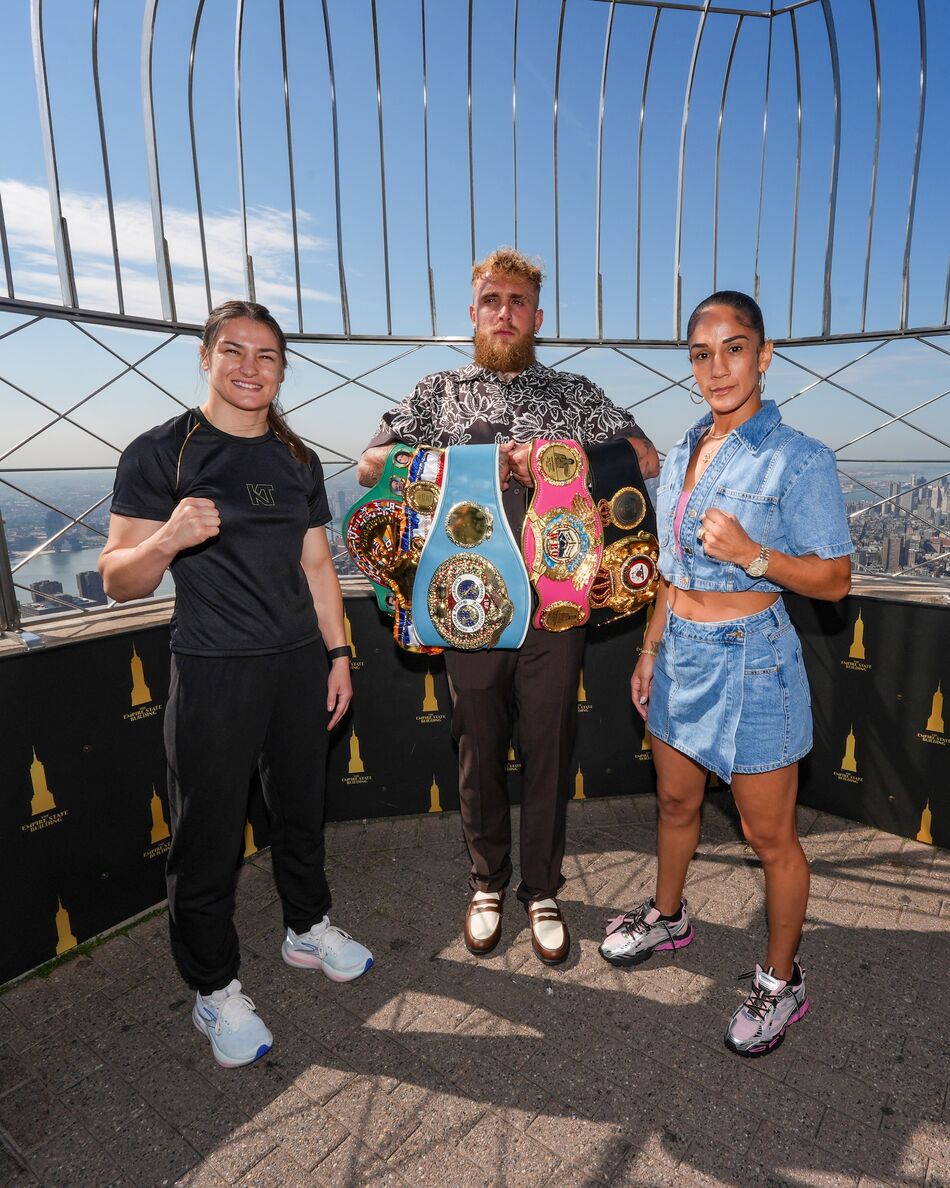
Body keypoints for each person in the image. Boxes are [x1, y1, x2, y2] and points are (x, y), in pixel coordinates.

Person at [357, 248, 659, 965]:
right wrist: (481, 464)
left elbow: (644, 456)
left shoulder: (577, 393)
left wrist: (557, 457)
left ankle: (543, 889)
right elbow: (372, 464)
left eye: (517, 301)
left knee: (551, 745)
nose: (504, 312)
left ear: (537, 317)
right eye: (492, 299)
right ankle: (487, 883)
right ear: (473, 313)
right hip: (469, 603)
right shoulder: (437, 393)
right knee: (479, 745)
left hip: (558, 602)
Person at [99, 300, 372, 1069]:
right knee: (208, 836)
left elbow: (317, 565)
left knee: (300, 813)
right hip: (214, 670)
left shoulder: (295, 460)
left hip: (297, 666)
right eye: (235, 351)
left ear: (283, 370)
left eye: (268, 356)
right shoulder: (161, 453)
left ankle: (306, 928)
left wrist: (339, 655)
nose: (251, 368)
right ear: (206, 357)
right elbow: (119, 578)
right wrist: (167, 537)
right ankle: (213, 986)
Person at [599, 290, 852, 1056]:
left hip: (755, 659)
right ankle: (670, 917)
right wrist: (649, 650)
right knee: (676, 803)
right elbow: (672, 572)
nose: (718, 367)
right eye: (702, 354)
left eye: (735, 348)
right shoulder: (680, 452)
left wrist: (753, 556)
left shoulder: (801, 458)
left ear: (765, 356)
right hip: (679, 653)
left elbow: (836, 579)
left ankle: (783, 980)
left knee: (768, 835)